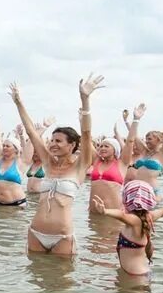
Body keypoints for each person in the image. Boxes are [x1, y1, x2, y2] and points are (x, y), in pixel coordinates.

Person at [10, 74, 104, 256]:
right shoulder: (48, 162)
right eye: (52, 140)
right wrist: (19, 103)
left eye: (58, 141)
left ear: (72, 145)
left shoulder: (80, 165)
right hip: (35, 232)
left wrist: (85, 100)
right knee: (36, 281)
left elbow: (86, 132)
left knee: (61, 283)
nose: (52, 144)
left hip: (62, 236)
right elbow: (31, 132)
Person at [92, 181, 163, 276]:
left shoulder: (135, 221)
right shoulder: (149, 217)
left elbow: (121, 215)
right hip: (138, 274)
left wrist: (105, 211)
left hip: (135, 277)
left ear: (126, 200)